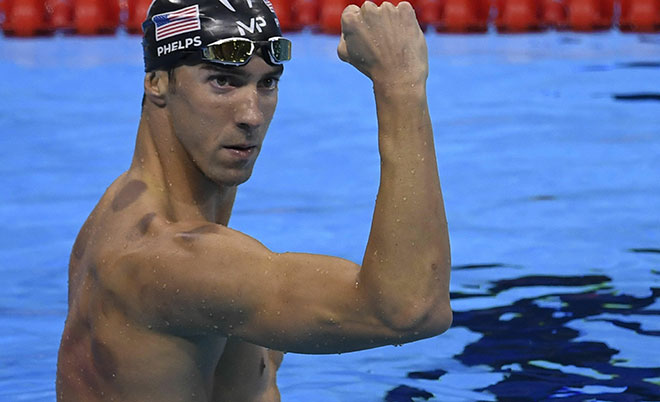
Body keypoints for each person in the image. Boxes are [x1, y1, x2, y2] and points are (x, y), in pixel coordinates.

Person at [56, 0, 452, 400]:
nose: (252, 115)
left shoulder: (118, 212)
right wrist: (401, 84)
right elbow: (411, 310)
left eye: (267, 83)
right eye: (222, 82)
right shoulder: (171, 260)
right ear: (157, 81)